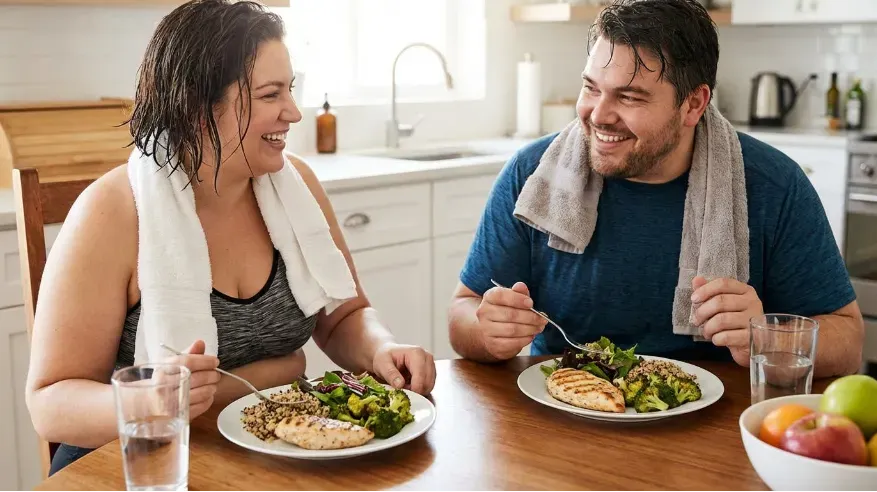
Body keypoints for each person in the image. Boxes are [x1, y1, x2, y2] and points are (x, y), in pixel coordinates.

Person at [25, 0, 435, 475]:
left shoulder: (294, 187)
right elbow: (50, 402)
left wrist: (381, 349)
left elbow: (343, 316)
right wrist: (154, 400)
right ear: (200, 108)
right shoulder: (113, 212)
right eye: (270, 95)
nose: (294, 112)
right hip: (139, 466)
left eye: (291, 90)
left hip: (263, 456)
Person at [448, 0, 863, 376]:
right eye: (592, 87)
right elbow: (463, 312)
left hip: (712, 435)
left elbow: (847, 341)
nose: (599, 115)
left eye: (629, 97)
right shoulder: (534, 175)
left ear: (694, 105)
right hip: (561, 410)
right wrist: (487, 331)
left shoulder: (775, 186)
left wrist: (768, 336)